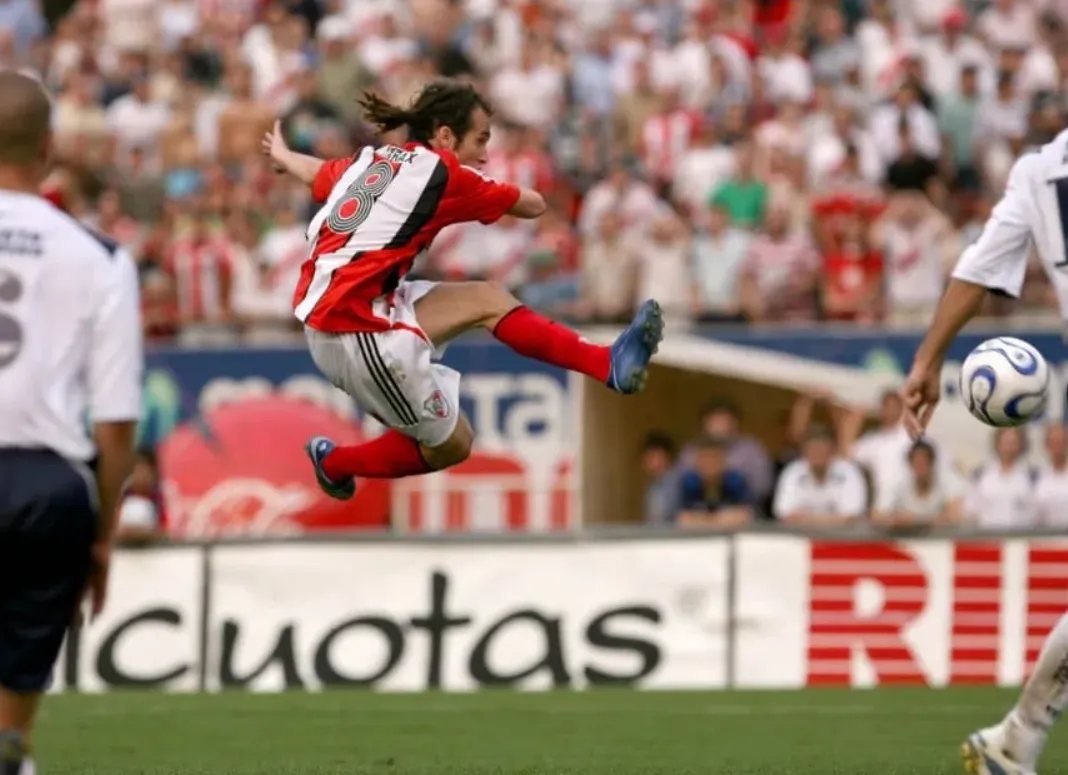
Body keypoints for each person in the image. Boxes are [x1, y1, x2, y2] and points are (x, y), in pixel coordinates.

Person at [262, 80, 663, 498]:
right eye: (481, 140)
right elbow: (534, 204)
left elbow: (317, 173)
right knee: (453, 443)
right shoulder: (446, 173)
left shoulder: (373, 161)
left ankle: (607, 363)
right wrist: (481, 186)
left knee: (488, 298)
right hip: (353, 328)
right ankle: (334, 464)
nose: (485, 154)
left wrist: (284, 155)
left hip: (362, 305)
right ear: (445, 136)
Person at [901, 125, 1068, 775]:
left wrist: (927, 359)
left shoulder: (1040, 168)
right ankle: (1018, 736)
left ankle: (1017, 738)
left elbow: (978, 267)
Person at [0, 72, 142, 775]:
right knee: (14, 688)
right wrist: (103, 538)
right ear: (48, 148)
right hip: (45, 488)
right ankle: (11, 745)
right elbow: (116, 423)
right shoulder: (100, 258)